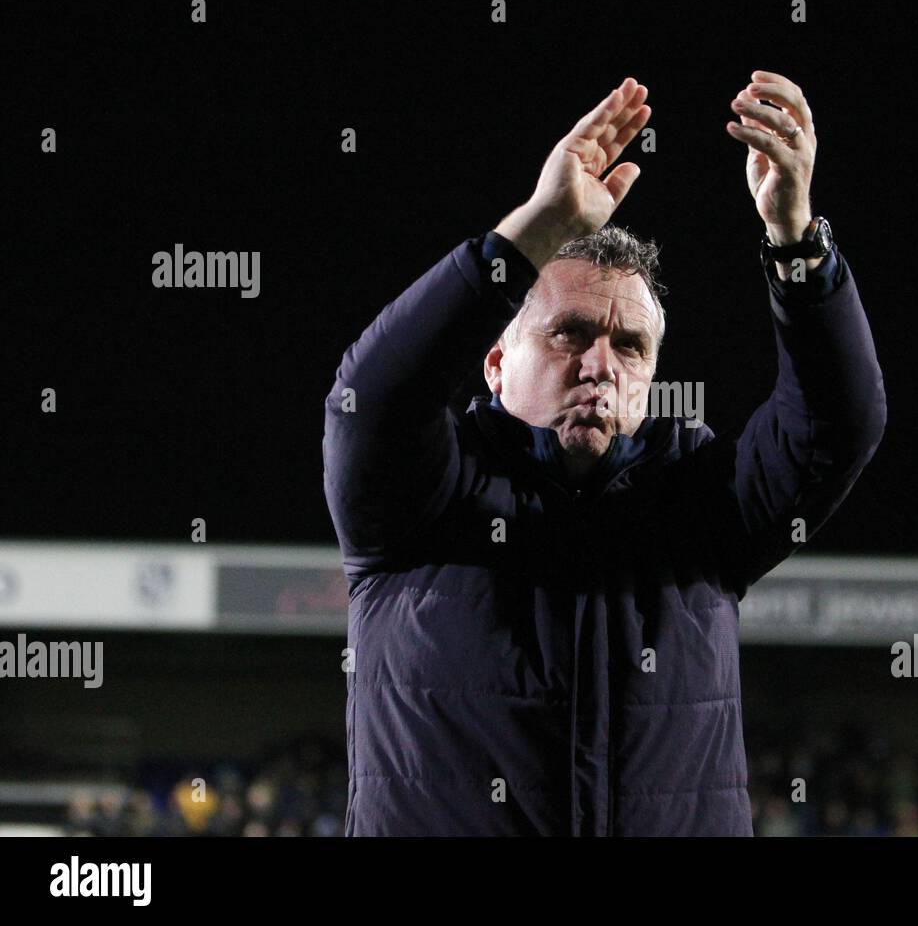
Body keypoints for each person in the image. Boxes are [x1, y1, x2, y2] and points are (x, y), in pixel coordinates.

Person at [323, 73, 887, 835]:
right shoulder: (424, 496)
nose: (601, 366)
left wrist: (796, 243)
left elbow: (839, 424)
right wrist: (532, 231)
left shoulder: (701, 504)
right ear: (495, 364)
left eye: (629, 346)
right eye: (569, 333)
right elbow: (373, 398)